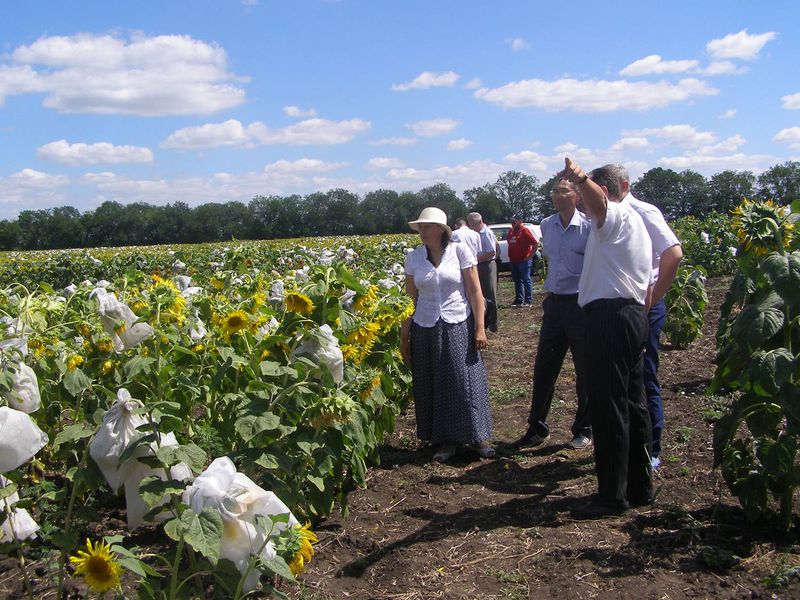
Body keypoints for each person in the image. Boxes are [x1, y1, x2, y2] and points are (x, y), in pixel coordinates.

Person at [559, 158, 653, 519]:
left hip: (610, 318)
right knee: (632, 403)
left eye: (586, 193)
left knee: (609, 406)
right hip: (629, 315)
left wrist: (580, 178)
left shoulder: (615, 216)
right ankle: (639, 487)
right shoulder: (634, 223)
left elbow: (598, 204)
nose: (582, 203)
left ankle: (611, 497)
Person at [400, 207, 495, 462]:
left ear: (441, 230)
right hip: (425, 325)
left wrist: (480, 327)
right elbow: (411, 299)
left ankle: (478, 438)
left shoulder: (459, 251)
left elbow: (475, 291)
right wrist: (404, 335)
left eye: (427, 226)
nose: (422, 231)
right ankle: (445, 442)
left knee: (464, 379)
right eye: (420, 227)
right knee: (433, 382)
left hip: (457, 322)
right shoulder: (414, 258)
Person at [608, 164, 683, 470]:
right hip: (618, 309)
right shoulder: (609, 215)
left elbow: (673, 253)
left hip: (643, 307)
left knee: (644, 376)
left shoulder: (643, 211)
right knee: (622, 379)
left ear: (624, 186)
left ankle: (651, 447)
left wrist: (654, 297)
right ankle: (627, 442)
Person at [513, 178, 592, 451]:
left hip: (581, 305)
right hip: (555, 304)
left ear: (577, 196)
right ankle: (537, 427)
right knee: (544, 367)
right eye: (554, 192)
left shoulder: (589, 227)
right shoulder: (547, 225)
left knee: (584, 369)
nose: (557, 196)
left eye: (563, 191)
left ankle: (583, 429)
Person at [467, 212, 498, 332]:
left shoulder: (486, 233)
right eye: (470, 225)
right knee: (481, 294)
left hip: (487, 265)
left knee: (490, 294)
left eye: (474, 225)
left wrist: (475, 259)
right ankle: (484, 322)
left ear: (480, 222)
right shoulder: (475, 233)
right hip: (479, 265)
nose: (472, 228)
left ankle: (493, 324)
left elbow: (491, 252)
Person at [507, 215, 538, 307]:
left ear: (520, 221)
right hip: (513, 260)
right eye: (512, 221)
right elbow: (510, 242)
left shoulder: (525, 231)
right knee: (517, 281)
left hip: (523, 261)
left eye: (515, 221)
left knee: (526, 280)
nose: (513, 222)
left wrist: (530, 256)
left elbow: (535, 243)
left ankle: (528, 301)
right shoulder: (511, 231)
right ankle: (519, 300)